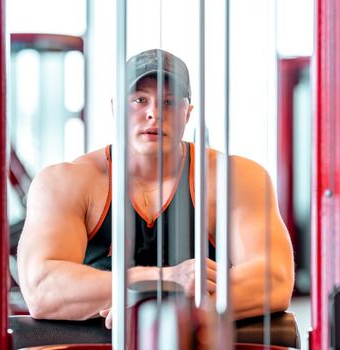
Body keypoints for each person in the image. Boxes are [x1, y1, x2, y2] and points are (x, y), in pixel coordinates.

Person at [17, 49, 294, 328]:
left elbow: (275, 278)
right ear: (116, 108)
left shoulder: (234, 177)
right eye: (139, 100)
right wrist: (165, 281)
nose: (154, 113)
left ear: (188, 113)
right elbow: (42, 289)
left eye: (170, 102)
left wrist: (171, 311)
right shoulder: (66, 181)